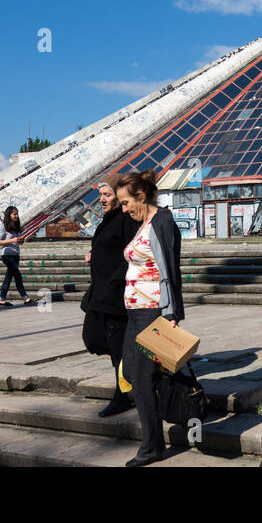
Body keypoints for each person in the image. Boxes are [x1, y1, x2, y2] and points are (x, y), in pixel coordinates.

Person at [116, 170, 185, 466]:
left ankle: (152, 447)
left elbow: (170, 266)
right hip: (134, 312)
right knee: (131, 373)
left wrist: (172, 313)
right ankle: (164, 408)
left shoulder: (162, 222)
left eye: (125, 202)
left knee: (142, 380)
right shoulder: (142, 223)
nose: (123, 208)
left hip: (153, 311)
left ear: (141, 197)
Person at [82, 181, 134, 417]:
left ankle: (122, 395)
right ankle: (132, 367)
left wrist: (116, 282)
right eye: (100, 195)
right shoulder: (107, 219)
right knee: (92, 338)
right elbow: (109, 246)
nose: (101, 199)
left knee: (117, 349)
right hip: (99, 292)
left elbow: (130, 254)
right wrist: (95, 254)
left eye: (107, 195)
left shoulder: (126, 220)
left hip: (115, 294)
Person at [0, 206, 33, 306]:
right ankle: (25, 297)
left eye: (17, 214)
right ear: (9, 215)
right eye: (14, 214)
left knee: (9, 277)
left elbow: (17, 241)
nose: (16, 216)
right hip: (7, 255)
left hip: (16, 255)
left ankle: (2, 298)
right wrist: (13, 240)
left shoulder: (16, 226)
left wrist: (21, 240)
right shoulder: (3, 226)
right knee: (17, 275)